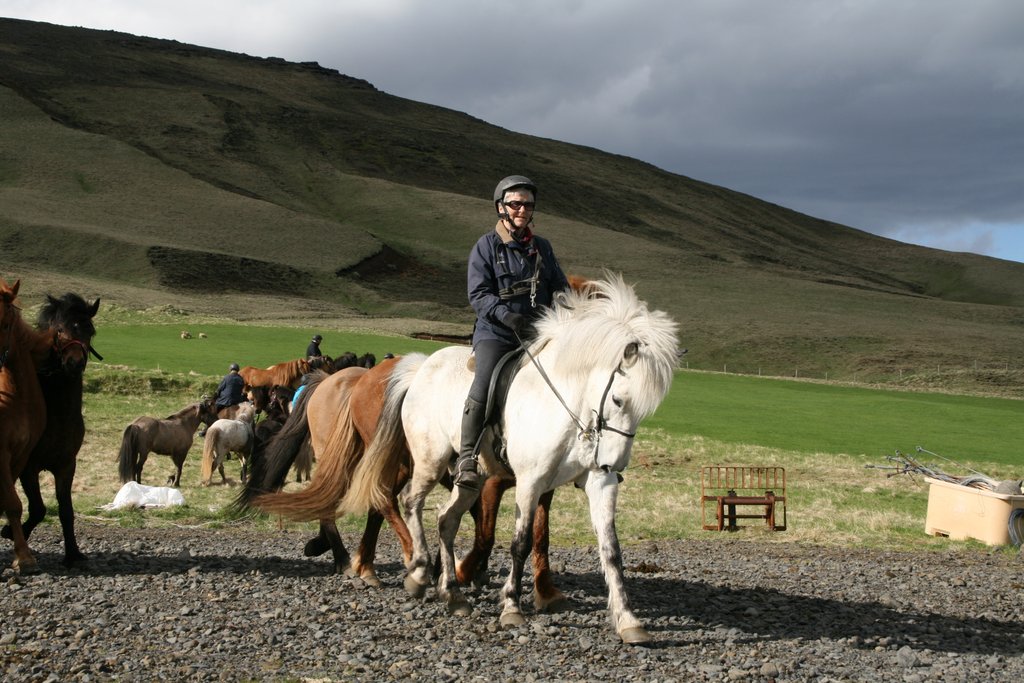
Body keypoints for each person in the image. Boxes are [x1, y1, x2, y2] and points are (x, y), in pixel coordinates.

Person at [455, 175, 569, 489]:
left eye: (527, 205)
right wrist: (507, 316)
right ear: (501, 207)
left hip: (537, 333)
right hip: (497, 333)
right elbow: (478, 294)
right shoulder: (486, 246)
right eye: (515, 204)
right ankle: (467, 457)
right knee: (485, 383)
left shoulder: (542, 247)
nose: (522, 210)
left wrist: (566, 308)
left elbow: (560, 287)